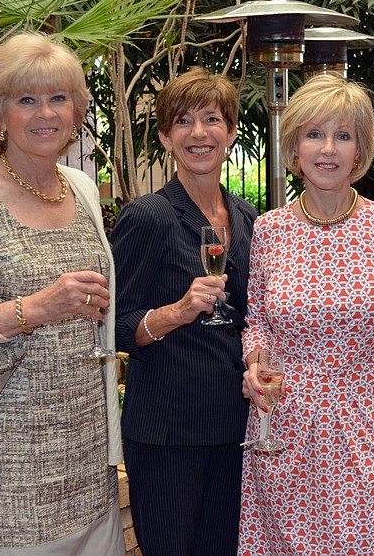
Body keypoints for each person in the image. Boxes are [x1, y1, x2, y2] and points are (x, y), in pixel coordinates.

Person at [0, 32, 124, 554]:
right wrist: (34, 309)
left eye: (58, 97)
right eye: (27, 99)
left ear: (76, 111)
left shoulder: (81, 188)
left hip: (89, 463)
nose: (46, 112)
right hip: (6, 475)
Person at [239, 73, 374, 555]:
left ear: (359, 151)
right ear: (295, 148)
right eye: (314, 134)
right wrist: (255, 366)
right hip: (284, 426)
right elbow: (258, 319)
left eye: (342, 136)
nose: (328, 149)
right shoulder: (269, 230)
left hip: (370, 424)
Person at [111, 67, 255, 555]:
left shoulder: (248, 218)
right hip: (169, 432)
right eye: (184, 121)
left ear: (231, 132)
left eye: (212, 119)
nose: (199, 133)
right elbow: (116, 328)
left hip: (235, 428)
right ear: (166, 136)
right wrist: (176, 311)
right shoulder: (147, 217)